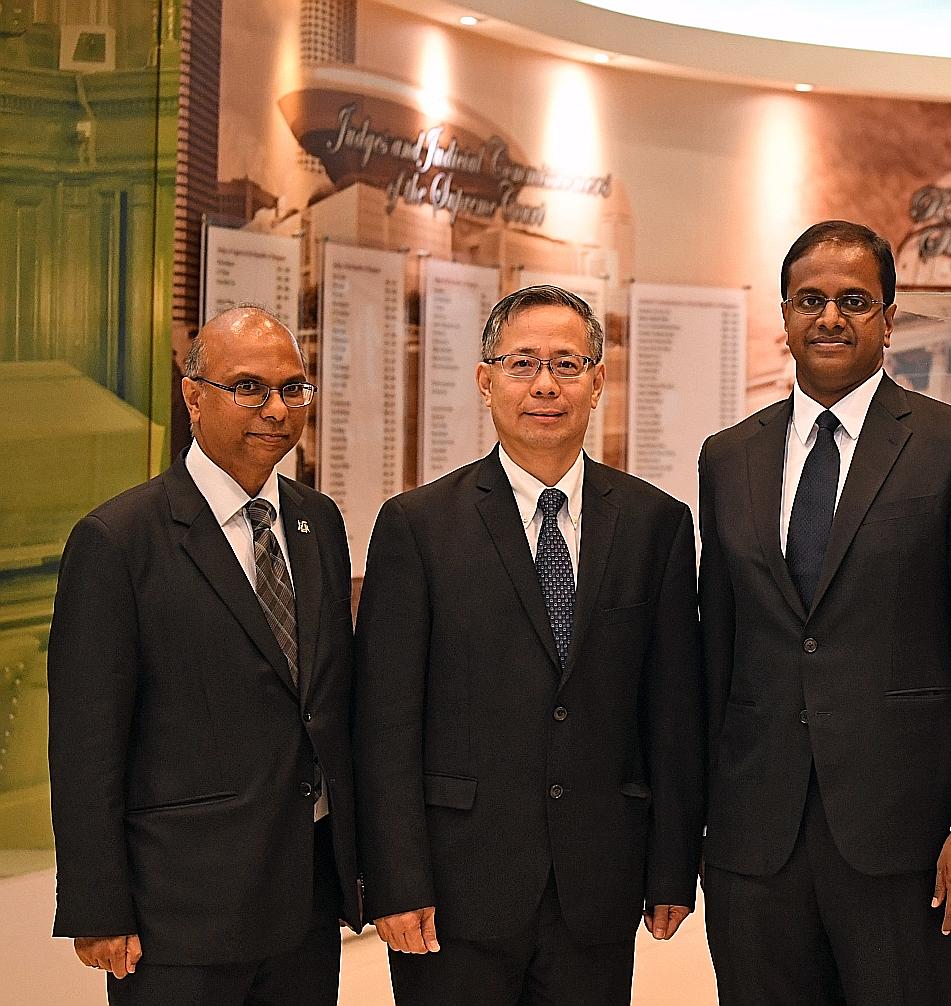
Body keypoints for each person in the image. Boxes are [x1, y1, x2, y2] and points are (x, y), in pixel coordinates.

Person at [698, 221, 951, 1005]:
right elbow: (718, 648)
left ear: (887, 319)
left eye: (853, 300)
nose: (830, 317)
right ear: (784, 316)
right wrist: (694, 826)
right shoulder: (728, 456)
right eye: (810, 299)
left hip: (904, 838)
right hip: (755, 839)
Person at [354, 285, 703, 1004]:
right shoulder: (417, 527)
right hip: (451, 890)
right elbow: (385, 724)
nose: (545, 384)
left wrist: (672, 866)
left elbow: (672, 712)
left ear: (598, 381)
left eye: (567, 364)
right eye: (522, 363)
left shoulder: (655, 526)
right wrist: (396, 879)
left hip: (597, 885)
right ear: (486, 381)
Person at [49, 306, 360, 1005]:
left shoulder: (319, 524)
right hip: (177, 914)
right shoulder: (118, 541)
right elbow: (85, 743)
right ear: (194, 397)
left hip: (305, 902)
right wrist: (97, 906)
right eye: (248, 387)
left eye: (293, 388)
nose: (276, 408)